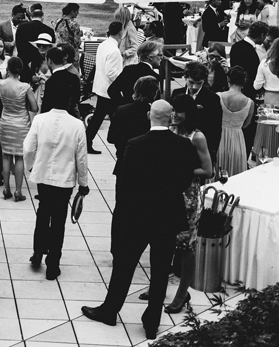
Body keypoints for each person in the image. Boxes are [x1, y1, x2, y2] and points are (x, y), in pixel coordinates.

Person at [81, 100, 199, 341]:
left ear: (149, 115)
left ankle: (110, 309)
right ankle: (152, 320)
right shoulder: (183, 145)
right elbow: (186, 179)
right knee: (160, 269)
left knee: (125, 265)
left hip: (138, 215)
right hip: (167, 215)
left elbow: (125, 186)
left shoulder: (135, 145)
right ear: (171, 117)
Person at [23, 82, 89, 281]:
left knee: (43, 213)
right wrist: (83, 183)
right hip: (65, 179)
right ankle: (53, 263)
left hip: (43, 176)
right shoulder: (77, 125)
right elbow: (81, 157)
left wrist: (31, 166)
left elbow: (27, 147)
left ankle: (37, 253)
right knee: (59, 220)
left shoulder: (40, 120)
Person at [163, 94, 213, 314]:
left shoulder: (197, 137)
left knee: (186, 246)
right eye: (172, 110)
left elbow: (208, 170)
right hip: (168, 193)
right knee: (163, 241)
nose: (174, 115)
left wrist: (181, 171)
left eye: (178, 111)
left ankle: (182, 293)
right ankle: (159, 287)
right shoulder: (169, 130)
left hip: (189, 196)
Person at [0, 57, 38, 201]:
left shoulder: (0, 83)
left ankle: (7, 188)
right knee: (19, 157)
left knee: (6, 156)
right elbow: (35, 107)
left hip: (5, 122)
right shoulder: (25, 87)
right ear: (20, 70)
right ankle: (18, 191)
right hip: (21, 124)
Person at [108, 76, 161, 175]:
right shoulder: (155, 114)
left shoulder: (121, 110)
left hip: (124, 162)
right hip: (147, 165)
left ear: (135, 90)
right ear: (155, 93)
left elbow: (111, 138)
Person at [171, 62, 223, 163]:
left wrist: (212, 155)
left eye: (199, 83)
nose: (194, 86)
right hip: (178, 144)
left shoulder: (212, 99)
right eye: (191, 82)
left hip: (200, 147)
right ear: (185, 78)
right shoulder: (176, 93)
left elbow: (216, 129)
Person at [86, 21, 124, 154]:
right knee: (115, 117)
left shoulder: (103, 45)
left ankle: (88, 141)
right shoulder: (114, 51)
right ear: (121, 33)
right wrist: (122, 82)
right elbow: (111, 72)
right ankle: (120, 143)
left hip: (102, 87)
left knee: (101, 117)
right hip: (109, 90)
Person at [216, 66, 255, 177]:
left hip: (219, 137)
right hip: (237, 139)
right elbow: (246, 124)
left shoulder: (218, 96)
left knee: (219, 171)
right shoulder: (249, 102)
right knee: (235, 173)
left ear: (228, 80)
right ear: (244, 82)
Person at [107, 40, 162, 107]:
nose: (161, 58)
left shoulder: (128, 69)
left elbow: (112, 90)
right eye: (160, 55)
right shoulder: (154, 76)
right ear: (150, 56)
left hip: (127, 111)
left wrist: (123, 105)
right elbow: (156, 102)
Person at [229, 20, 269, 102]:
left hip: (234, 88)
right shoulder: (250, 51)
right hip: (246, 93)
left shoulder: (236, 46)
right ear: (262, 35)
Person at [41, 46, 81, 120]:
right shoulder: (74, 77)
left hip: (55, 119)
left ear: (49, 61)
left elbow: (46, 106)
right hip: (71, 117)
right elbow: (76, 98)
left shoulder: (51, 82)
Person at [15, 3, 55, 75]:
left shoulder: (21, 27)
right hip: (42, 66)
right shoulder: (49, 30)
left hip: (24, 64)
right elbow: (52, 50)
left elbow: (19, 46)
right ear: (42, 17)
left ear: (31, 16)